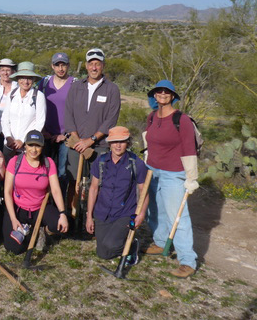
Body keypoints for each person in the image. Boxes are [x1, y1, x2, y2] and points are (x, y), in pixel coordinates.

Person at [144, 80, 199, 278]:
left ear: (173, 96)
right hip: (152, 170)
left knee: (178, 216)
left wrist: (191, 178)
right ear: (154, 95)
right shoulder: (152, 117)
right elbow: (149, 143)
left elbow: (189, 149)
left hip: (173, 173)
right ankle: (160, 242)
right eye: (159, 91)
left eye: (166, 92)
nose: (162, 94)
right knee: (155, 211)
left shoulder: (181, 120)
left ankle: (187, 260)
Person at [85, 126, 149, 265]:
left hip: (125, 213)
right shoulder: (101, 161)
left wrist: (141, 214)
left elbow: (144, 191)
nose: (118, 145)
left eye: (122, 141)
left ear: (128, 143)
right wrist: (89, 216)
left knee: (111, 245)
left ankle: (131, 246)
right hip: (103, 212)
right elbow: (94, 188)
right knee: (103, 253)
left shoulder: (136, 163)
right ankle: (124, 243)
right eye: (114, 142)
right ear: (109, 144)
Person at [2, 130, 68, 254]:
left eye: (37, 145)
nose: (34, 149)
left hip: (39, 208)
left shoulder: (48, 163)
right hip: (19, 209)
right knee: (14, 249)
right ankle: (30, 232)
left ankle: (42, 231)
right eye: (31, 145)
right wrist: (13, 219)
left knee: (58, 225)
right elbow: (7, 192)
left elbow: (55, 190)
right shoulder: (15, 162)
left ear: (42, 147)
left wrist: (63, 213)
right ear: (25, 146)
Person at [64, 48, 120, 190]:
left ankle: (91, 212)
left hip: (99, 146)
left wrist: (90, 140)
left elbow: (111, 119)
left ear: (103, 66)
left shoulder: (112, 89)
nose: (94, 68)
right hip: (76, 145)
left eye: (97, 64)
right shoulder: (76, 87)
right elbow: (68, 114)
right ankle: (72, 211)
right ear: (86, 66)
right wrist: (77, 141)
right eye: (91, 64)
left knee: (97, 184)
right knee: (73, 182)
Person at [37, 52, 76, 196]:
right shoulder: (44, 83)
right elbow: (37, 107)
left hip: (66, 137)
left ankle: (61, 206)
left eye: (63, 65)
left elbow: (78, 111)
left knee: (62, 173)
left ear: (68, 66)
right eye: (57, 65)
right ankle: (45, 204)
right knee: (44, 170)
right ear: (52, 66)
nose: (60, 68)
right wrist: (43, 131)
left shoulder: (75, 84)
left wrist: (65, 135)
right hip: (46, 134)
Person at [1, 62, 46, 161]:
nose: (25, 81)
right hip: (9, 145)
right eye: (22, 78)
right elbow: (5, 119)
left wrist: (23, 140)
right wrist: (8, 137)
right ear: (17, 79)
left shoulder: (38, 96)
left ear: (33, 80)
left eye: (29, 78)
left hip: (28, 147)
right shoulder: (11, 95)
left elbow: (40, 122)